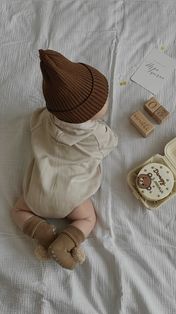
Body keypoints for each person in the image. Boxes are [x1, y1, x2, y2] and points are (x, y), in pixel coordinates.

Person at [11, 49, 118, 270]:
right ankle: (65, 242)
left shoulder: (41, 120)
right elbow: (112, 143)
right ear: (89, 114)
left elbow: (36, 120)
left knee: (18, 211)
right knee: (87, 219)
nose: (106, 101)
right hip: (72, 196)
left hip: (37, 191)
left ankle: (42, 233)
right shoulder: (96, 137)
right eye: (103, 102)